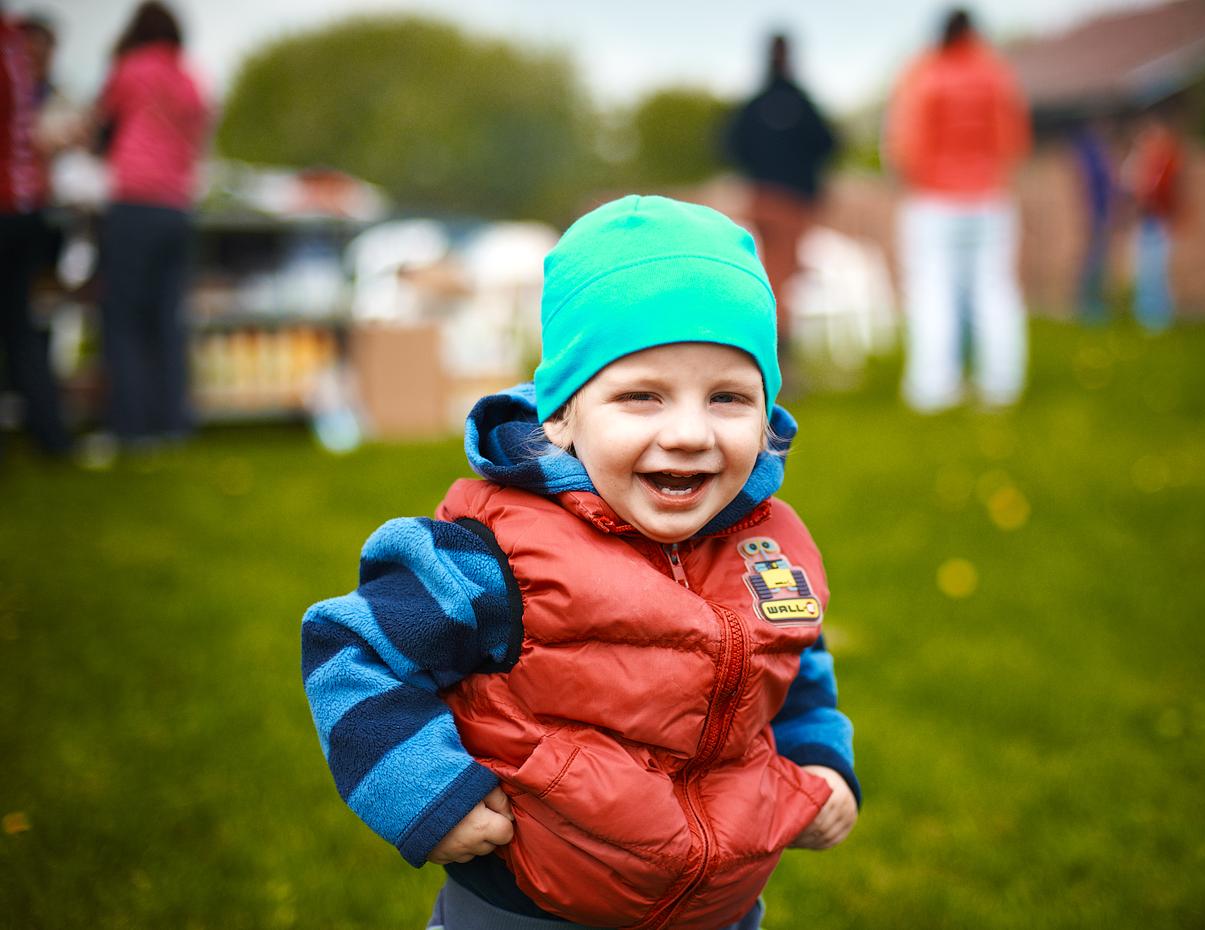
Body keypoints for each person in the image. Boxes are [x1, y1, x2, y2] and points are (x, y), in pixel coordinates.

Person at [302, 195, 860, 930]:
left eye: (727, 397)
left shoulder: (773, 546)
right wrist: (427, 793)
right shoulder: (494, 554)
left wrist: (819, 759)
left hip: (718, 909)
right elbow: (352, 650)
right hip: (526, 909)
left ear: (767, 416)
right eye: (642, 396)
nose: (689, 433)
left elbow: (794, 666)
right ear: (561, 414)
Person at [884, 7, 1031, 412]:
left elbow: (905, 142)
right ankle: (1001, 387)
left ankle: (933, 389)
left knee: (931, 292)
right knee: (996, 290)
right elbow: (1015, 140)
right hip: (990, 199)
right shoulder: (996, 73)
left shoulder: (923, 74)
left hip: (934, 201)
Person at [94, 1, 209, 446]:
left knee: (124, 319)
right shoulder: (190, 79)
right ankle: (173, 423)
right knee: (167, 320)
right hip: (177, 207)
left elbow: (102, 127)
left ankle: (131, 427)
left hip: (135, 201)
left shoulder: (130, 69)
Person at [725, 33, 838, 377]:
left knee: (769, 276)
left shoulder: (754, 104)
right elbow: (828, 143)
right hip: (791, 202)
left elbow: (731, 144)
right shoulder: (801, 103)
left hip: (761, 198)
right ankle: (775, 365)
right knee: (781, 282)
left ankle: (766, 359)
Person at [0, 2, 71, 459]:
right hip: (26, 208)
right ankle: (51, 436)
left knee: (21, 324)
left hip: (10, 203)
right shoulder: (14, 48)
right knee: (21, 326)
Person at [1123, 113, 1183, 331]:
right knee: (1144, 271)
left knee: (1156, 270)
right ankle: (1146, 315)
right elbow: (1129, 185)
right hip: (1145, 222)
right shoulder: (1139, 164)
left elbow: (1170, 193)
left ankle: (1159, 316)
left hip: (1159, 222)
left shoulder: (1168, 165)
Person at [1071, 120, 1114, 324]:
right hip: (1098, 215)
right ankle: (1087, 305)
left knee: (1096, 261)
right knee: (1094, 262)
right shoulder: (1094, 155)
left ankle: (1088, 304)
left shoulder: (1093, 154)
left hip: (1100, 214)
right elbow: (1098, 188)